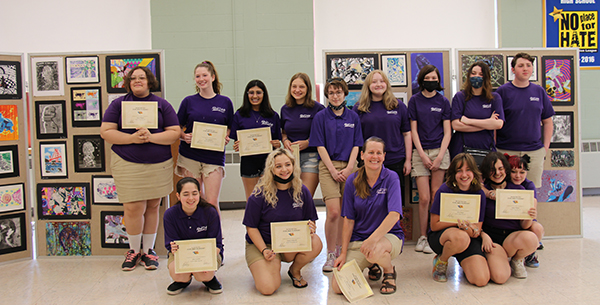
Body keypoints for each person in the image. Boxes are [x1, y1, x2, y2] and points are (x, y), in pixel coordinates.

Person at [100, 66, 180, 271]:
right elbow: (106, 131)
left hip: (158, 164)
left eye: (142, 78)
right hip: (127, 163)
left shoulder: (162, 104)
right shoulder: (118, 104)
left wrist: (150, 137)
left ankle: (149, 251)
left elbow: (174, 132)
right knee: (133, 207)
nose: (137, 81)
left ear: (149, 81)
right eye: (133, 78)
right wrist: (132, 139)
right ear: (128, 82)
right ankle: (134, 251)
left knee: (153, 205)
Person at [242, 148, 322, 295]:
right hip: (263, 244)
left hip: (288, 243)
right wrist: (264, 250)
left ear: (293, 166)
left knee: (315, 242)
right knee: (268, 288)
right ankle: (268, 266)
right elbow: (251, 228)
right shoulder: (259, 194)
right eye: (278, 166)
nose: (284, 170)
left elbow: (311, 220)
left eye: (287, 165)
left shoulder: (302, 191)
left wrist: (311, 228)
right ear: (271, 169)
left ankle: (294, 270)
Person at [332, 137, 403, 294]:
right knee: (338, 287)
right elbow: (348, 220)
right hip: (360, 240)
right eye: (371, 152)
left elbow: (394, 215)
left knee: (374, 251)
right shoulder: (352, 180)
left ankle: (389, 270)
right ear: (362, 155)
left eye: (379, 153)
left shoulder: (391, 178)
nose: (375, 157)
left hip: (388, 237)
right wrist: (343, 253)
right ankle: (372, 264)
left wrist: (372, 240)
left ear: (384, 156)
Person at [309, 78, 363, 272]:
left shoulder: (353, 117)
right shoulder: (321, 117)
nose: (335, 95)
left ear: (345, 93)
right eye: (331, 92)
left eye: (339, 92)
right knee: (333, 212)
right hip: (327, 166)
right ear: (327, 95)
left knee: (346, 212)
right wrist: (332, 169)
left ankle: (342, 251)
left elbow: (357, 144)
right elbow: (319, 145)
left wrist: (349, 169)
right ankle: (330, 254)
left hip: (350, 167)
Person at [428, 153, 504, 286]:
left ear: (474, 172)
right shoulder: (444, 190)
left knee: (481, 280)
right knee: (461, 237)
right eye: (459, 171)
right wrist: (457, 222)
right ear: (453, 173)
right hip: (442, 236)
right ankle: (442, 260)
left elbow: (476, 229)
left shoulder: (479, 193)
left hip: (469, 235)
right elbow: (434, 225)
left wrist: (472, 230)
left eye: (468, 170)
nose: (464, 175)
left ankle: (466, 263)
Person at [175, 61, 234, 214]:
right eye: (197, 76)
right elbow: (176, 126)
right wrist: (183, 136)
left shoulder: (225, 102)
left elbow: (229, 127)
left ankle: (215, 237)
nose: (201, 79)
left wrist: (225, 137)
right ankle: (196, 236)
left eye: (205, 75)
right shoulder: (188, 101)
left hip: (214, 157)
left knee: (212, 201)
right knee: (194, 201)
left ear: (213, 77)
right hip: (190, 156)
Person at [407, 65, 451, 254]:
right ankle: (423, 236)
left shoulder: (443, 101)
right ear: (422, 79)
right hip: (420, 153)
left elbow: (448, 131)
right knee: (424, 198)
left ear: (438, 80)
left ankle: (434, 236)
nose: (431, 81)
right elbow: (413, 131)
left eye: (434, 78)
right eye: (428, 77)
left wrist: (440, 156)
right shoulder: (415, 101)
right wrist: (423, 155)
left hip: (440, 151)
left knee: (436, 195)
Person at [496, 53, 555, 188]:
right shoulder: (502, 92)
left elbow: (547, 122)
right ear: (513, 70)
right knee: (506, 191)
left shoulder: (539, 91)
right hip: (506, 151)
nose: (525, 69)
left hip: (533, 152)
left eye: (528, 65)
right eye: (521, 65)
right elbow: (495, 123)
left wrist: (544, 149)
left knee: (531, 192)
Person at [353, 70, 412, 205]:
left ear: (387, 84)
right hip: (369, 162)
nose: (378, 84)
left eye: (382, 81)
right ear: (368, 85)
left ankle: (393, 227)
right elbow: (355, 138)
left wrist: (408, 160)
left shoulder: (398, 106)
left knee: (394, 203)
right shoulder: (359, 108)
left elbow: (407, 134)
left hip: (395, 161)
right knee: (368, 202)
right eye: (374, 82)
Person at [480, 152, 539, 280]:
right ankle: (497, 259)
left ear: (506, 169)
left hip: (512, 237)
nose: (497, 173)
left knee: (531, 238)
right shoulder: (483, 191)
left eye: (500, 169)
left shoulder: (519, 191)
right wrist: (483, 235)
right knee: (500, 277)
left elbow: (524, 226)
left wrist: (529, 216)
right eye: (492, 170)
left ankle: (517, 259)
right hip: (492, 239)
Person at [163, 178, 223, 295]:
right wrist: (173, 248)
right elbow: (170, 243)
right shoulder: (170, 214)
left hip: (207, 253)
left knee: (204, 273)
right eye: (186, 194)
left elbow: (217, 244)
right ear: (178, 196)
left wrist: (205, 261)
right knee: (178, 274)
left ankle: (209, 280)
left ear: (200, 194)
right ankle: (183, 281)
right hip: (181, 254)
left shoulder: (210, 212)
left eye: (194, 194)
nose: (191, 198)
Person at [231, 79, 282, 200]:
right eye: (251, 92)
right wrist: (237, 145)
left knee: (269, 197)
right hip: (248, 161)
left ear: (264, 94)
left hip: (268, 161)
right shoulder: (239, 115)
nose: (255, 96)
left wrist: (277, 144)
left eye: (258, 92)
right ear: (246, 94)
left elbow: (278, 142)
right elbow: (235, 140)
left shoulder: (273, 116)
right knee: (252, 198)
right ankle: (252, 220)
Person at [280, 73, 325, 196]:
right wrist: (285, 141)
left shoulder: (318, 109)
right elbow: (284, 132)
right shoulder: (285, 109)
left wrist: (308, 142)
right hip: (290, 157)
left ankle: (306, 216)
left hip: (311, 157)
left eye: (301, 87)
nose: (297, 90)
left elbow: (324, 134)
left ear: (308, 89)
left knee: (304, 196)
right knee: (289, 196)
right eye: (294, 86)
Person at [449, 61, 504, 160]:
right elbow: (456, 125)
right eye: (473, 73)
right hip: (462, 150)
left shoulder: (494, 98)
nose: (476, 76)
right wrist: (488, 123)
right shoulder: (460, 97)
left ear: (486, 77)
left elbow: (498, 124)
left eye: (481, 74)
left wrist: (469, 121)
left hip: (486, 149)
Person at [506, 154, 545, 268]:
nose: (518, 176)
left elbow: (532, 210)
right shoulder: (503, 184)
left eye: (522, 172)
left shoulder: (529, 185)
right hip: (508, 222)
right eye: (514, 172)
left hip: (525, 220)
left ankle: (529, 254)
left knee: (537, 228)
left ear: (527, 172)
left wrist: (530, 216)